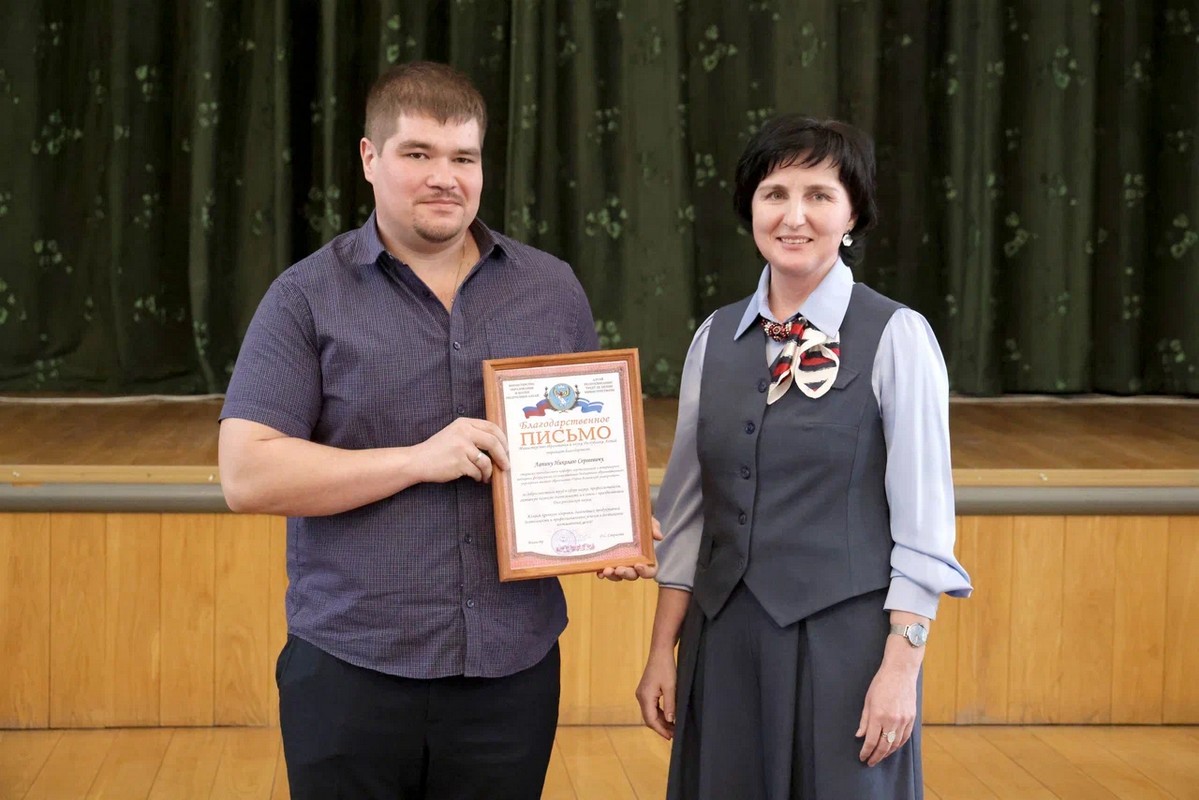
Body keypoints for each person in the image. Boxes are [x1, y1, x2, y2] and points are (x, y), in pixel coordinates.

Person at [219, 61, 649, 800]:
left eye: (463, 158)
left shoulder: (549, 289)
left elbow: (584, 440)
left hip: (510, 672)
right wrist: (419, 459)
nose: (444, 178)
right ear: (369, 158)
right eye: (417, 154)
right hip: (352, 670)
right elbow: (246, 474)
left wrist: (610, 526)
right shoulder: (305, 297)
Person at [635, 114, 973, 800]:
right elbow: (689, 516)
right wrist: (660, 652)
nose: (794, 216)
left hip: (847, 651)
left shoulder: (897, 335)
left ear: (852, 214)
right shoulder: (712, 338)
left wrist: (900, 670)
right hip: (723, 639)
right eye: (775, 194)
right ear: (750, 210)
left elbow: (924, 525)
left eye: (819, 195)